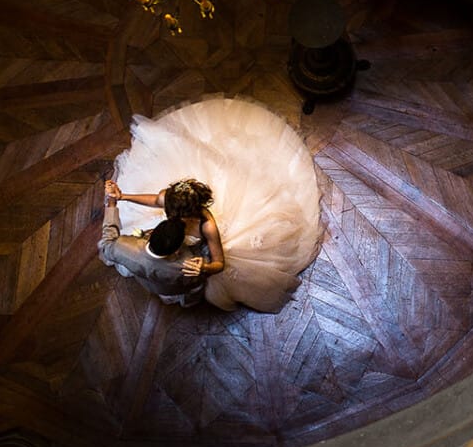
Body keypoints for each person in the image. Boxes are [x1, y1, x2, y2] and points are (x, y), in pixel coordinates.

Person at [110, 95, 324, 312]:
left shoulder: (207, 225)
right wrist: (124, 197)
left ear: (192, 214)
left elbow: (219, 263)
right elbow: (154, 200)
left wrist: (205, 266)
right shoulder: (169, 199)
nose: (170, 211)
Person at [97, 179, 208, 307]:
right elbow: (197, 283)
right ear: (177, 250)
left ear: (150, 236)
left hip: (149, 285)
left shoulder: (121, 249)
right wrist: (204, 267)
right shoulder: (187, 267)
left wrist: (113, 203)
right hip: (172, 289)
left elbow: (106, 243)